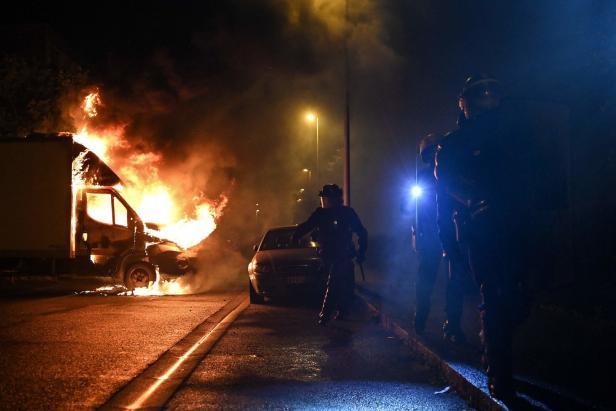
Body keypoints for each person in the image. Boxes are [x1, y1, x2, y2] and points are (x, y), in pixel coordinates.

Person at [435, 74, 531, 401]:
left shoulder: (513, 137)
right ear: (466, 103)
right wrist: (472, 202)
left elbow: (532, 174)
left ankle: (494, 350)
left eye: (492, 95)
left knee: (520, 296)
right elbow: (446, 183)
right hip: (478, 230)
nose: (487, 102)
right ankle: (499, 375)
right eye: (480, 97)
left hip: (515, 225)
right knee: (493, 297)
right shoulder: (454, 143)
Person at [412, 134, 467, 343]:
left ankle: (453, 325)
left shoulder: (453, 176)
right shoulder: (423, 178)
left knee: (455, 280)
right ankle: (421, 316)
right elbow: (411, 208)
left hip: (451, 234)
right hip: (431, 236)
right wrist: (416, 232)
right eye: (432, 152)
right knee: (426, 279)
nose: (435, 155)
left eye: (438, 151)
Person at [293, 184, 368, 325]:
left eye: (327, 199)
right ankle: (341, 311)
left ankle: (325, 314)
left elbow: (362, 232)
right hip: (327, 256)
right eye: (323, 199)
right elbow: (307, 226)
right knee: (339, 284)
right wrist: (296, 235)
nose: (324, 202)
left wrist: (362, 251)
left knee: (335, 283)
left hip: (342, 254)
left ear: (335, 199)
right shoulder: (321, 214)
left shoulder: (346, 213)